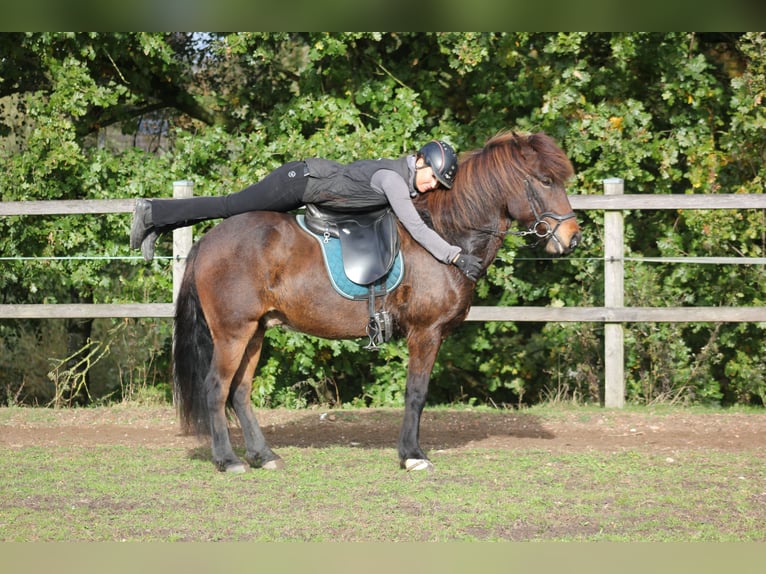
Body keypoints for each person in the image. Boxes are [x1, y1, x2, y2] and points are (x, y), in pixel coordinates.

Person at [130, 140, 483, 281]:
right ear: (420, 161)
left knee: (229, 211)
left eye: (439, 183)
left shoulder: (404, 178)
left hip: (307, 185)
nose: (433, 185)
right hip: (298, 182)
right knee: (230, 207)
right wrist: (453, 256)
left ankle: (159, 226)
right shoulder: (394, 180)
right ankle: (152, 211)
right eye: (433, 176)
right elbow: (417, 230)